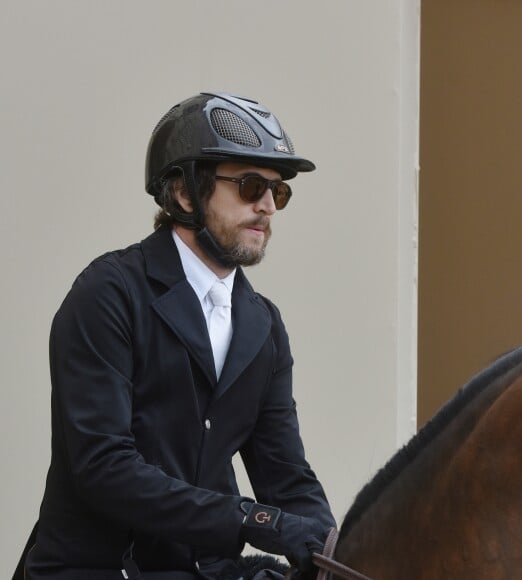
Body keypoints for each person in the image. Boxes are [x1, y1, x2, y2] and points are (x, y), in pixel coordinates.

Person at [17, 92, 335, 580]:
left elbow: (286, 475)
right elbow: (104, 468)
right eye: (251, 185)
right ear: (185, 193)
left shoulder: (264, 325)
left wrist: (333, 554)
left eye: (279, 191)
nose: (268, 206)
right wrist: (251, 520)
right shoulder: (108, 294)